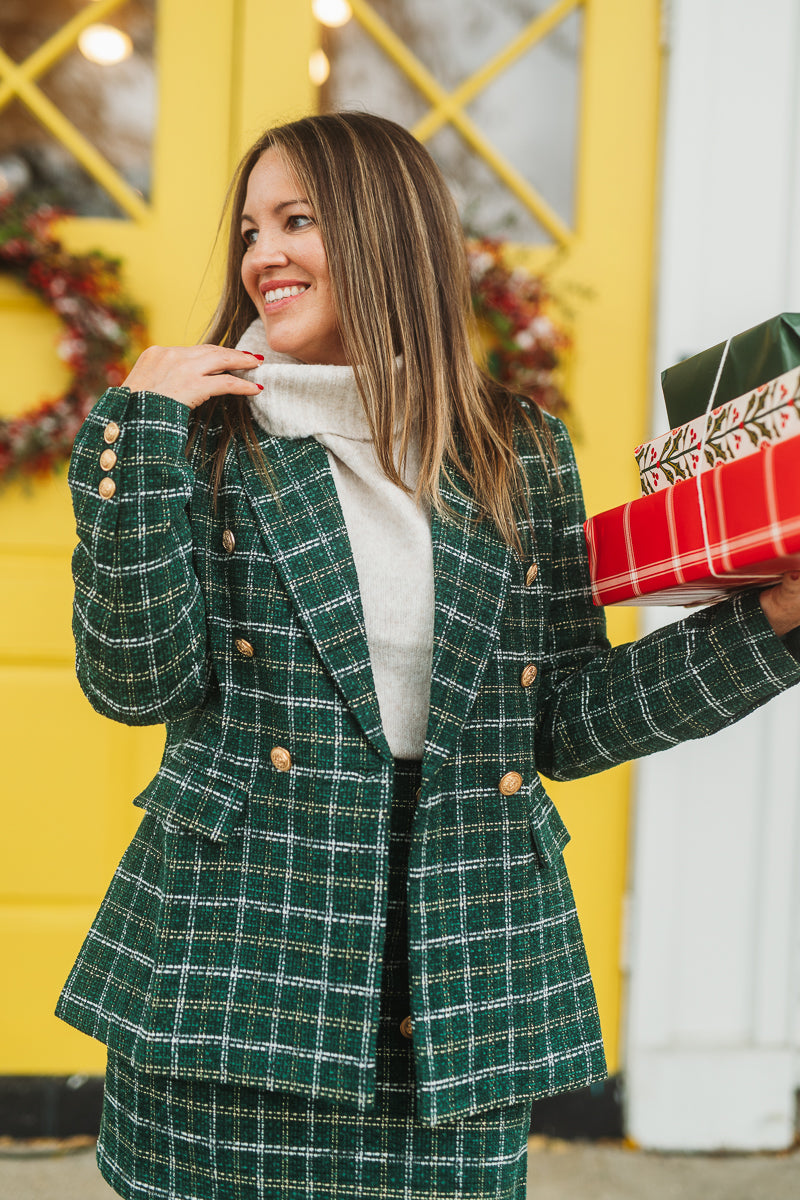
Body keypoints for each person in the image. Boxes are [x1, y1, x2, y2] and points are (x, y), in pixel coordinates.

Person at [56, 111, 800, 1200]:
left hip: (458, 983)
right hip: (233, 975)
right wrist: (133, 434)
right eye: (253, 229)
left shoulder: (514, 450)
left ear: (384, 232)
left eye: (297, 220)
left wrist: (768, 624)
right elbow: (136, 684)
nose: (263, 254)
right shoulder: (201, 441)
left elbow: (565, 721)